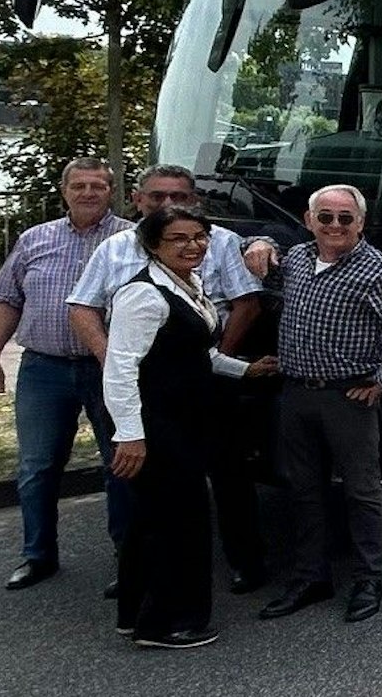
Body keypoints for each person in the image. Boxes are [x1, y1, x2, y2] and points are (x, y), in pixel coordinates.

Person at [67, 164, 270, 593]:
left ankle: (244, 563)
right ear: (138, 200)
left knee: (229, 475)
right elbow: (83, 306)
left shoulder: (218, 242)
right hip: (147, 392)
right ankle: (144, 579)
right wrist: (112, 359)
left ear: (194, 201)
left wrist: (216, 361)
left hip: (209, 382)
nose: (167, 204)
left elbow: (247, 303)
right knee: (148, 486)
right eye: (157, 196)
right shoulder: (116, 249)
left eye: (178, 197)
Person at [252, 184, 382, 624]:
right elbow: (261, 257)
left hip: (346, 398)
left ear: (361, 224)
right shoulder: (297, 259)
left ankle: (368, 580)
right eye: (326, 217)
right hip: (296, 393)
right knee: (304, 490)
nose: (335, 225)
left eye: (346, 218)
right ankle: (311, 577)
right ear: (309, 220)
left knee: (361, 492)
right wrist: (257, 242)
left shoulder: (377, 269)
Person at [103, 207, 278, 648]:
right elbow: (120, 368)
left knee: (153, 521)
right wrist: (130, 435)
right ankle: (168, 624)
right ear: (152, 245)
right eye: (179, 238)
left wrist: (244, 370)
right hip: (159, 426)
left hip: (186, 421)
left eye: (199, 237)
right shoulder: (143, 295)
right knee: (179, 522)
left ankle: (136, 614)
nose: (192, 246)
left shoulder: (189, 285)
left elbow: (197, 354)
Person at [0, 157, 133, 591]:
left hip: (108, 369)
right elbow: (6, 299)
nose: (88, 193)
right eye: (79, 185)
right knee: (37, 466)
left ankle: (129, 557)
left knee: (121, 463)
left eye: (97, 186)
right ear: (64, 191)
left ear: (111, 191)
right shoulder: (35, 239)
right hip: (43, 369)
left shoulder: (130, 239)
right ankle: (38, 556)